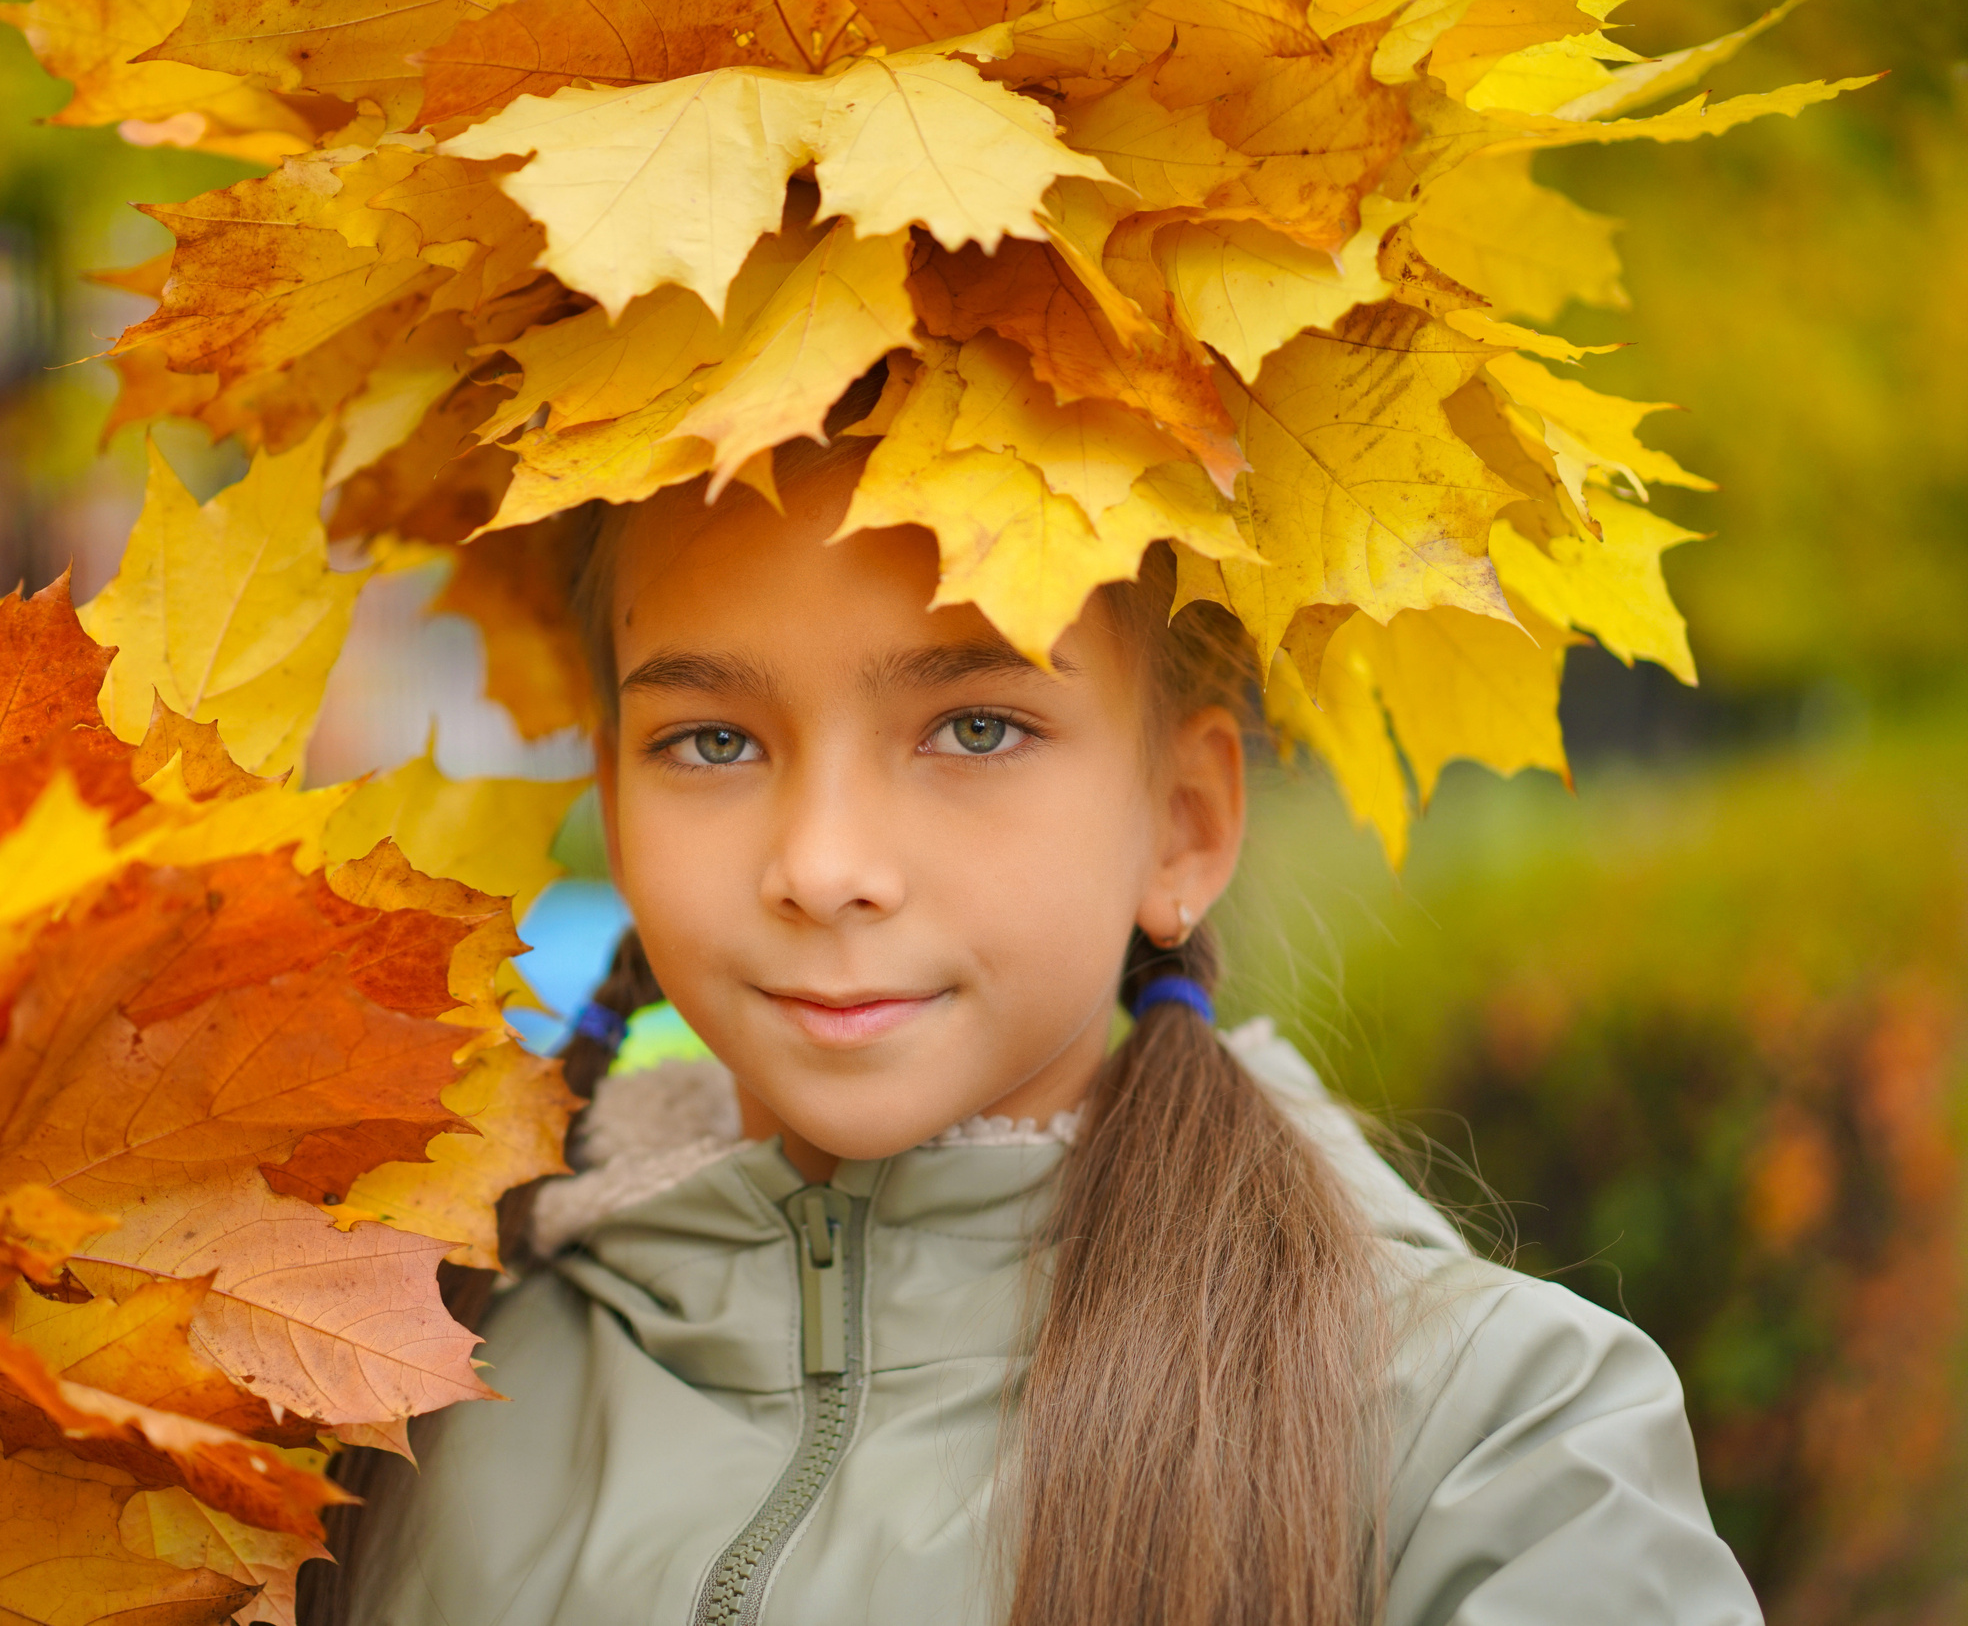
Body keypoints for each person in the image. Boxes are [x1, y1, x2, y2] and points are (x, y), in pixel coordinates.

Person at [312, 439, 1760, 1626]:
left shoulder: (1487, 1444)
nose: (823, 865)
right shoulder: (373, 1372)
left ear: (1182, 827)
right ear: (613, 810)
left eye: (977, 729)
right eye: (714, 742)